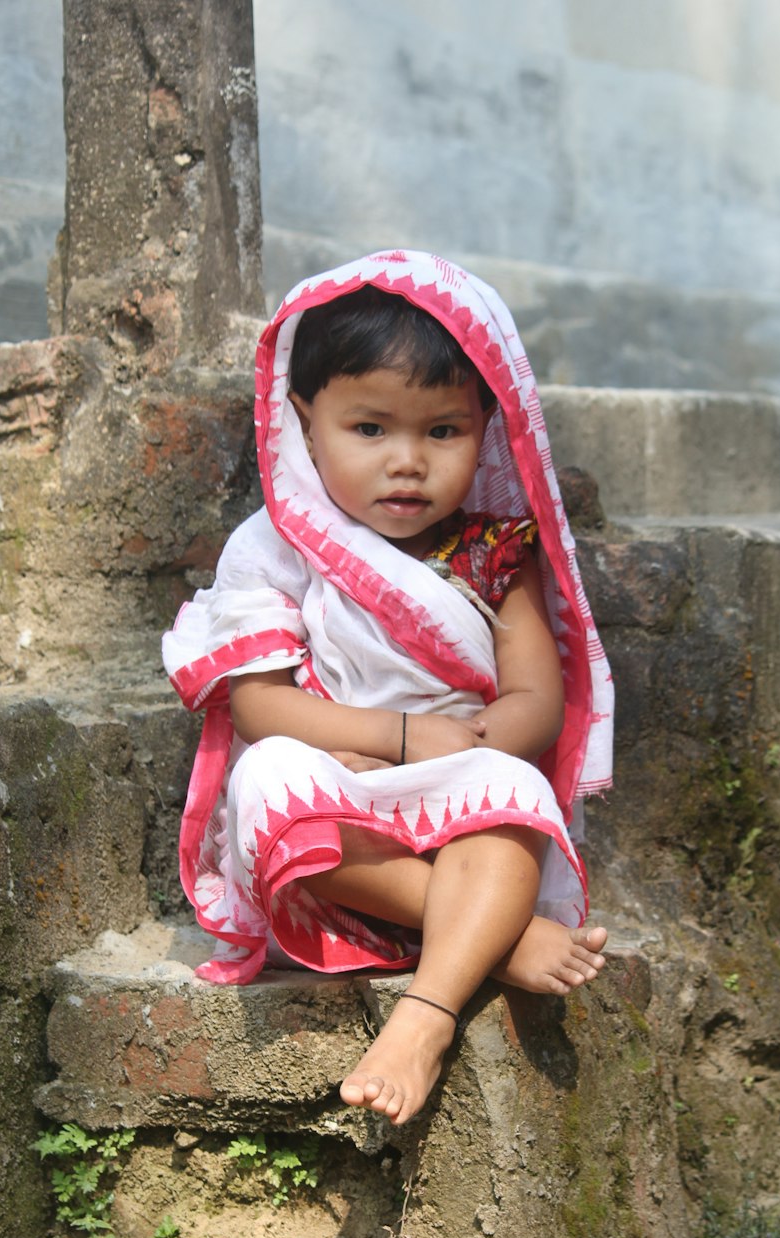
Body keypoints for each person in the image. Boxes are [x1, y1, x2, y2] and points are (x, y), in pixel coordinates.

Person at [162, 250, 614, 1127]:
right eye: (370, 429)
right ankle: (504, 934)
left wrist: (472, 746)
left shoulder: (496, 552)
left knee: (515, 794)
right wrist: (395, 739)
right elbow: (255, 705)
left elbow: (535, 701)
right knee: (265, 784)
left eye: (442, 432)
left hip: (460, 779)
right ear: (303, 421)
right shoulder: (274, 547)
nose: (407, 462)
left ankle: (427, 1013)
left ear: (487, 424)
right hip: (347, 783)